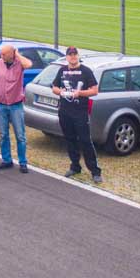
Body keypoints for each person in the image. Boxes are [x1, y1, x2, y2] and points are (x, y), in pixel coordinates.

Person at [52, 47, 101, 183]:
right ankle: (75, 166)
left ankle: (95, 170)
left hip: (80, 112)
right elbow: (54, 87)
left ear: (78, 56)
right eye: (70, 55)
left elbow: (95, 91)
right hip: (65, 111)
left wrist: (80, 93)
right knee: (69, 139)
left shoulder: (86, 71)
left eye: (75, 54)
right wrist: (60, 92)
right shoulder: (62, 71)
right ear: (66, 57)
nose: (72, 57)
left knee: (85, 141)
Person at [0, 44, 30, 173]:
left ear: (11, 54)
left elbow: (28, 64)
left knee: (20, 135)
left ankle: (22, 162)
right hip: (1, 105)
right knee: (3, 134)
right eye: (1, 54)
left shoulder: (19, 64)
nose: (2, 56)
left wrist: (17, 54)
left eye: (4, 54)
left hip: (16, 105)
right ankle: (7, 160)